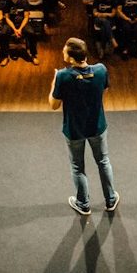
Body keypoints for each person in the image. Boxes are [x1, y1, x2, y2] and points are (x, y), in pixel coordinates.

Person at [49, 38, 118, 215]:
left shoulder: (63, 76)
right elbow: (103, 92)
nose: (62, 52)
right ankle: (111, 200)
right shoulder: (101, 70)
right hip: (97, 126)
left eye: (64, 51)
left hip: (74, 130)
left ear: (71, 58)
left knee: (77, 167)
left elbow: (54, 105)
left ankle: (83, 204)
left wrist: (53, 84)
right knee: (103, 162)